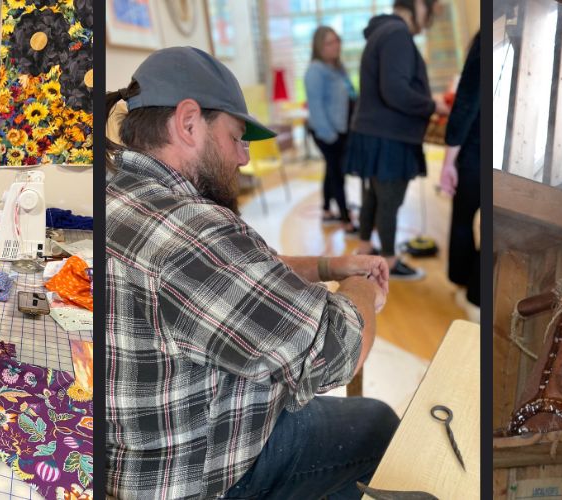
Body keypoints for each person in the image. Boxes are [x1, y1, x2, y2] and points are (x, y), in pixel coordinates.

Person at [104, 47, 400, 499]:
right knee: (378, 426)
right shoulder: (191, 231)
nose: (243, 158)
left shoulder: (121, 194)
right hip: (201, 478)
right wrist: (360, 285)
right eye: (236, 137)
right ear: (188, 123)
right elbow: (340, 351)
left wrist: (330, 266)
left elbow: (249, 269)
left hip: (139, 459)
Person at [347, 0, 446, 280]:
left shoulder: (384, 31)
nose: (427, 20)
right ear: (418, 5)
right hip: (388, 136)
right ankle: (388, 262)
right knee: (389, 199)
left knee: (375, 195)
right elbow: (395, 91)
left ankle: (365, 248)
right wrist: (432, 106)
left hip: (377, 133)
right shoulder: (397, 34)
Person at [441, 32, 484, 309]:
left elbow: (466, 104)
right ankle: (472, 291)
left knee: (464, 219)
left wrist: (448, 162)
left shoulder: (484, 43)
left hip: (475, 152)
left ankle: (468, 289)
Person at [304, 26, 357, 232]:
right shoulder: (315, 71)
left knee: (331, 169)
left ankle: (327, 210)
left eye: (337, 41)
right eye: (329, 43)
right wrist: (331, 137)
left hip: (342, 129)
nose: (335, 46)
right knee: (337, 173)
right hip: (327, 132)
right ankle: (345, 220)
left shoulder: (338, 67)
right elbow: (316, 108)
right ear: (319, 46)